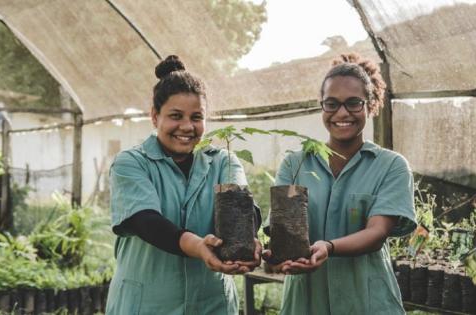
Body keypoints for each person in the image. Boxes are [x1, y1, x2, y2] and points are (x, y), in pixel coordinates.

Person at [106, 55, 261, 315]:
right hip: (147, 304)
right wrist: (199, 246)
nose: (187, 127)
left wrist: (249, 239)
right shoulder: (132, 163)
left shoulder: (223, 161)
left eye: (196, 117)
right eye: (176, 116)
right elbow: (146, 221)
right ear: (155, 117)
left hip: (211, 304)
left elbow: (243, 210)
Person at [265, 53, 416, 314]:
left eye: (353, 103)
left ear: (369, 105)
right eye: (332, 104)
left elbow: (377, 233)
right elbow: (281, 235)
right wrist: (277, 257)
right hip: (306, 303)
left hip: (368, 303)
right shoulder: (296, 164)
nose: (342, 113)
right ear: (321, 105)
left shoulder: (390, 166)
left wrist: (329, 247)